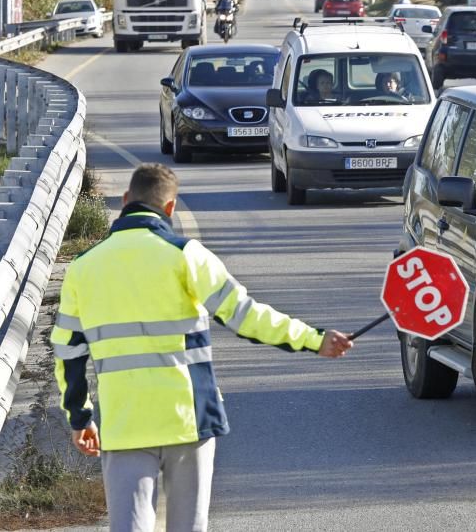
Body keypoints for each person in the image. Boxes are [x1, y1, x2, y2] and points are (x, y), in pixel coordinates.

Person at [51, 163, 353, 532]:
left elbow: (68, 352)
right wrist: (315, 339)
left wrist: (79, 418)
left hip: (124, 422)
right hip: (188, 421)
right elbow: (246, 317)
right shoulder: (186, 255)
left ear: (126, 200)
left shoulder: (83, 268)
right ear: (170, 208)